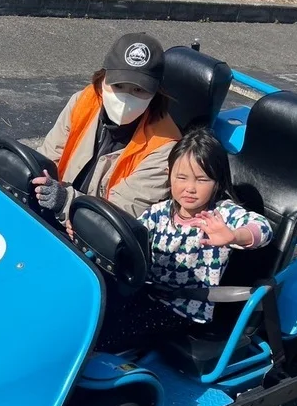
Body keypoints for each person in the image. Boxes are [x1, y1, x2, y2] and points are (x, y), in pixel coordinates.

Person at [97, 127, 273, 352]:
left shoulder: (220, 215)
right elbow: (131, 240)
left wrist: (234, 235)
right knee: (94, 303)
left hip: (184, 308)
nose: (190, 188)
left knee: (111, 333)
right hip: (146, 291)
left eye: (202, 180)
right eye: (181, 177)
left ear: (217, 182)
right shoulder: (158, 212)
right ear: (169, 174)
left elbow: (263, 229)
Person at [0, 32, 181, 218]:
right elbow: (48, 157)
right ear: (103, 79)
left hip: (93, 240)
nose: (125, 98)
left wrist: (65, 201)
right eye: (118, 86)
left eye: (138, 90)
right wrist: (13, 172)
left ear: (156, 93)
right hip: (52, 213)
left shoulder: (165, 148)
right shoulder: (83, 102)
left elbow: (122, 211)